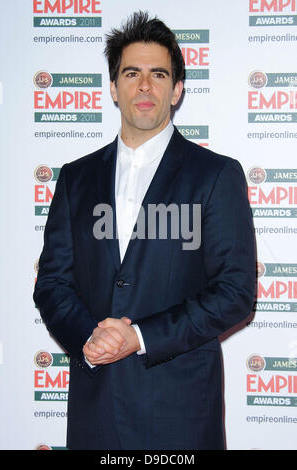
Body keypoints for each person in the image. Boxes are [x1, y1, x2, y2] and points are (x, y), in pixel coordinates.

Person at [33, 11, 256, 450]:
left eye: (158, 74)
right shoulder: (75, 179)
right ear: (114, 88)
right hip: (96, 410)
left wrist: (138, 337)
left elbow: (235, 292)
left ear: (176, 90)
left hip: (182, 416)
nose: (145, 85)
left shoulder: (215, 176)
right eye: (131, 73)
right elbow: (53, 283)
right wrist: (91, 338)